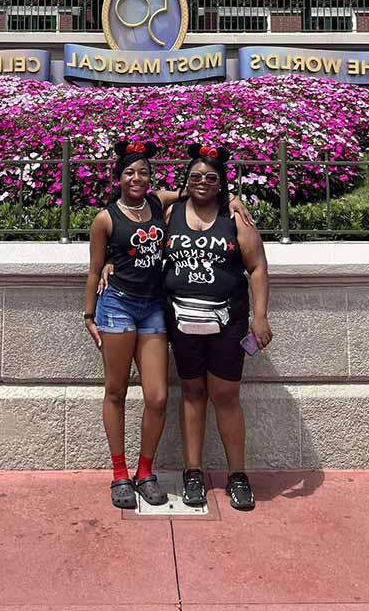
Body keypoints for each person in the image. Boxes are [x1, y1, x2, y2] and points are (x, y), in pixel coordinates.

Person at [84, 140, 252, 509]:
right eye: (129, 172)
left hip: (155, 308)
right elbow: (96, 266)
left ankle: (145, 471)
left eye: (143, 171)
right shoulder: (105, 218)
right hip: (118, 307)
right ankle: (119, 475)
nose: (137, 178)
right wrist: (89, 312)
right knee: (115, 391)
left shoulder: (161, 204)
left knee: (158, 396)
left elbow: (197, 191)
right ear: (117, 177)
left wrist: (233, 201)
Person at [162, 143, 272, 511]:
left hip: (229, 321)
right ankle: (192, 471)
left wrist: (260, 317)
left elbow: (257, 267)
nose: (203, 182)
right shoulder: (170, 212)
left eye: (211, 177)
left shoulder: (234, 217)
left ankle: (237, 474)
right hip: (181, 320)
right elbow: (134, 204)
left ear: (222, 183)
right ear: (185, 181)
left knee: (226, 396)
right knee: (192, 393)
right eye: (195, 176)